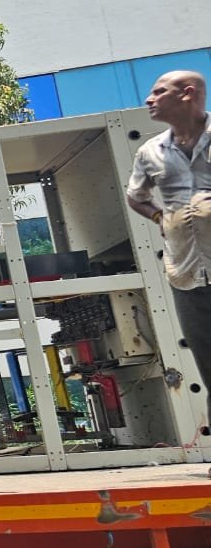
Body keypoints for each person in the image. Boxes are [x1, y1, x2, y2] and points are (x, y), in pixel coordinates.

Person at [125, 70, 211, 437]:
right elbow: (135, 196)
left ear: (187, 94)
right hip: (186, 276)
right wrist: (161, 217)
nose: (150, 99)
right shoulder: (151, 152)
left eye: (159, 92)